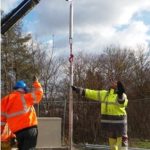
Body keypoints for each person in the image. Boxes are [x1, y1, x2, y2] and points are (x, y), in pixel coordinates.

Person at [72, 80, 128, 150]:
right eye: (111, 81)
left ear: (118, 86)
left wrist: (120, 95)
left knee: (122, 148)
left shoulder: (123, 95)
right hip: (110, 127)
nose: (112, 83)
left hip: (120, 127)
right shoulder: (104, 94)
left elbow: (123, 103)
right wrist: (78, 89)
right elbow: (92, 93)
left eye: (114, 82)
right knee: (113, 148)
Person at [1, 76, 43, 150]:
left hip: (18, 133)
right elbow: (39, 94)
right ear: (23, 89)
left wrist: (1, 132)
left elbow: (2, 120)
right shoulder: (25, 97)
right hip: (30, 130)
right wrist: (36, 83)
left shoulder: (5, 100)